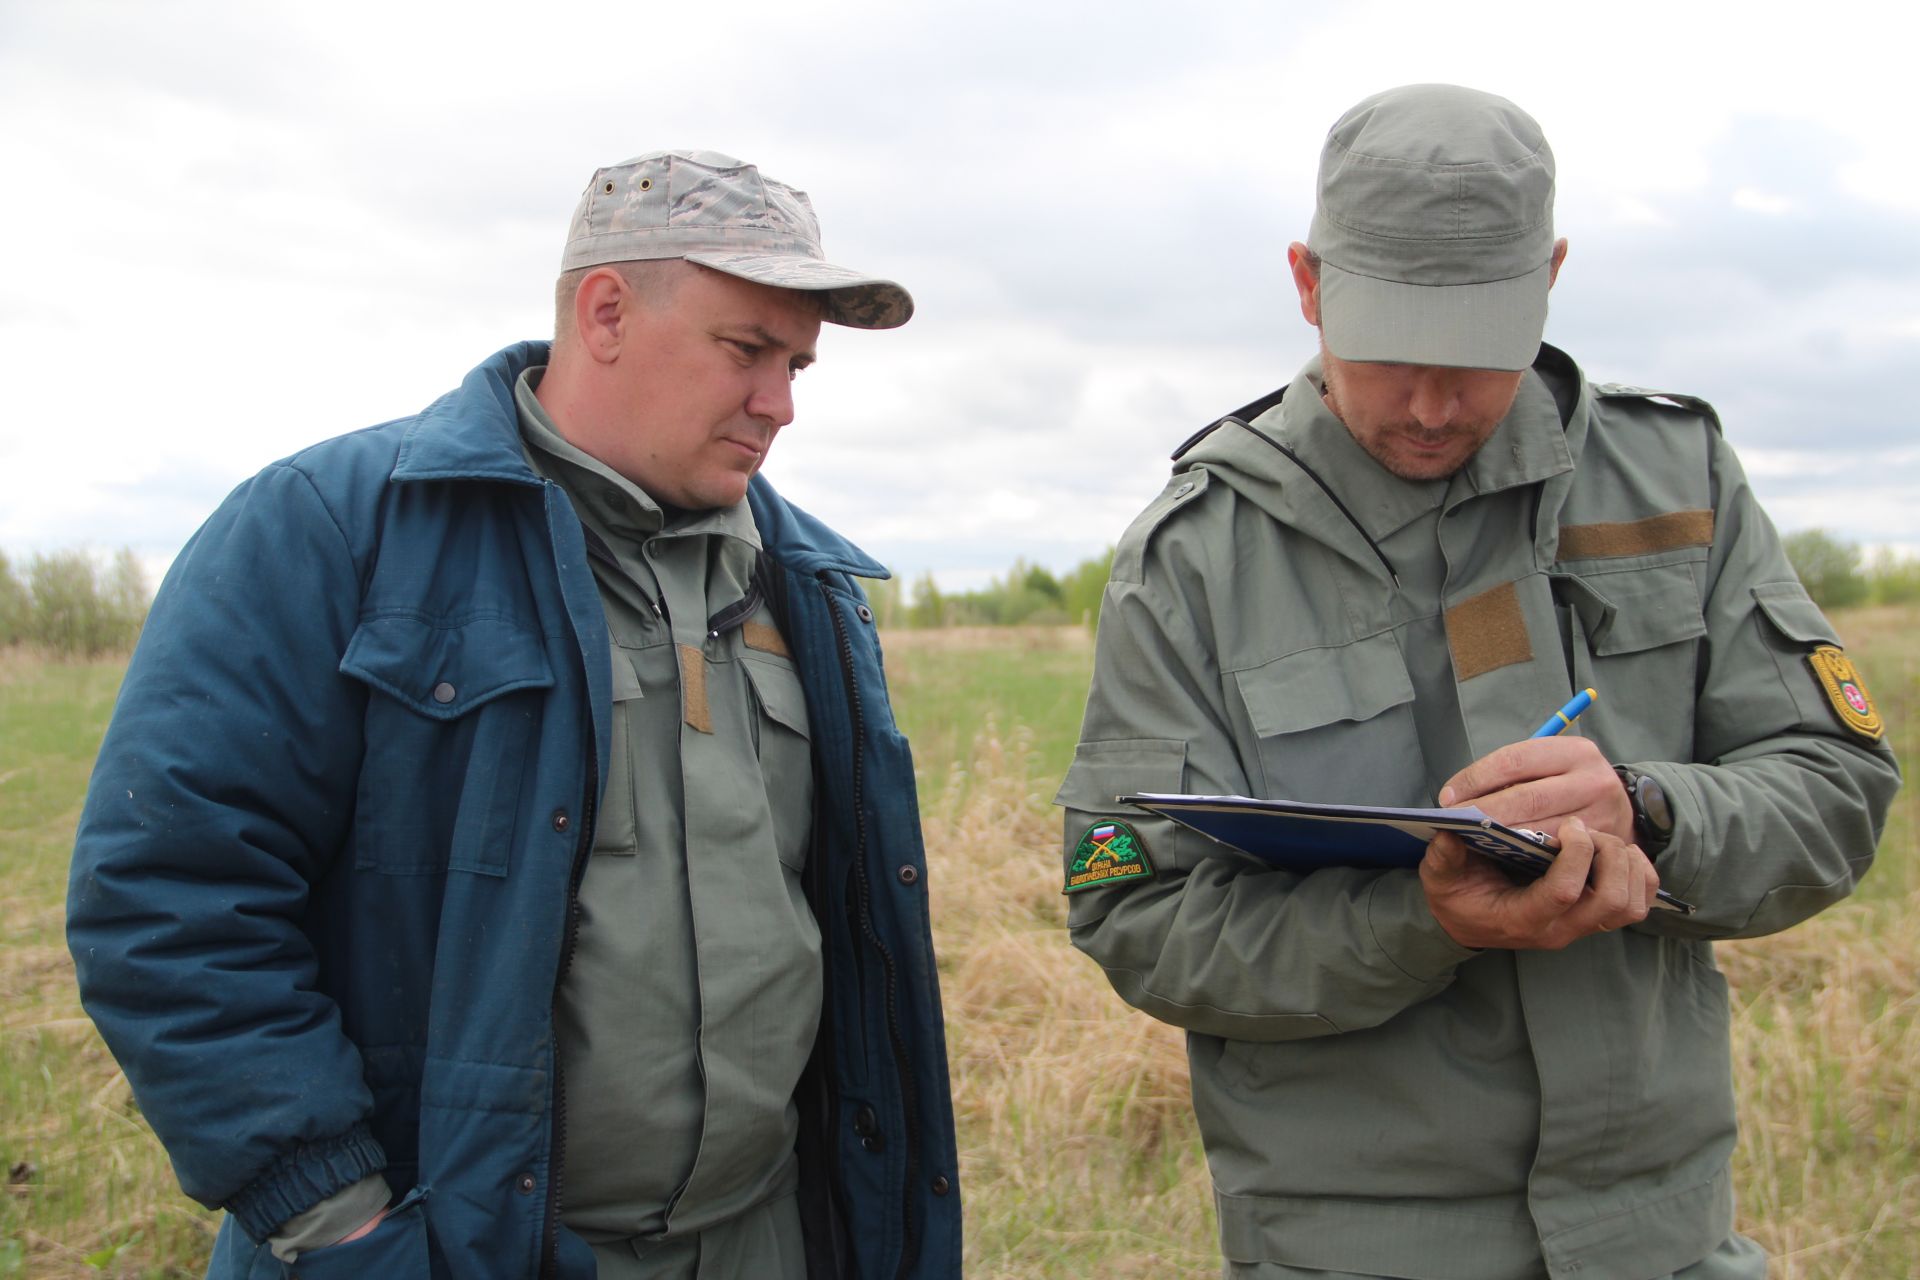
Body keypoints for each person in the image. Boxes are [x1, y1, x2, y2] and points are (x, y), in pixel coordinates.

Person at [69, 150, 961, 1280]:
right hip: (454, 1248)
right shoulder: (331, 531)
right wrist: (339, 1222)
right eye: (746, 350)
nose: (779, 403)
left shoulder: (809, 582)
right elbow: (170, 896)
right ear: (605, 313)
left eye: (795, 364)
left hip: (765, 1235)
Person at [1058, 85, 1899, 1280]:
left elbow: (1836, 785)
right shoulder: (1194, 557)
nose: (1432, 405)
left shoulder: (1678, 481)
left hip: (1662, 1234)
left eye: (1478, 356)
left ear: (1551, 275)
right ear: (1306, 284)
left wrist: (1653, 812)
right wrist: (1422, 920)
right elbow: (1133, 911)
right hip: (1352, 1246)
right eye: (1391, 350)